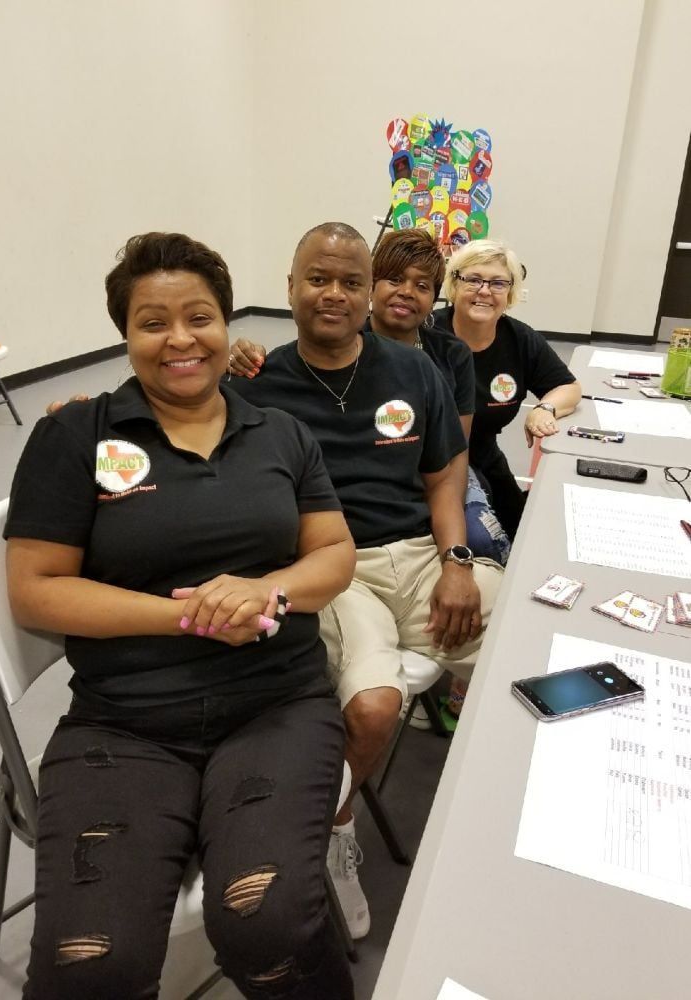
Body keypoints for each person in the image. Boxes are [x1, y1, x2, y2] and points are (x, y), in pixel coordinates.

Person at [5, 232, 357, 1000]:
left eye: (199, 317)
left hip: (276, 704)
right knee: (90, 966)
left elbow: (333, 553)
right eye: (152, 322)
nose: (180, 340)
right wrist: (191, 616)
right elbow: (35, 590)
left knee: (264, 921)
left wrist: (271, 591)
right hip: (124, 720)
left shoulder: (280, 434)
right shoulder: (76, 435)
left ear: (227, 326)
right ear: (125, 334)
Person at [227, 222, 503, 938]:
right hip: (332, 567)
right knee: (376, 707)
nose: (335, 293)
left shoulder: (415, 372)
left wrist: (457, 562)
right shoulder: (254, 383)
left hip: (417, 553)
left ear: (365, 293)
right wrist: (81, 420)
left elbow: (445, 475)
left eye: (349, 280)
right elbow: (170, 426)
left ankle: (514, 838)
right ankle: (336, 835)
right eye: (318, 278)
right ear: (289, 288)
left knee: (530, 646)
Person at [230, 229, 510, 567]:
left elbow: (451, 460)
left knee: (488, 548)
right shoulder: (280, 372)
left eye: (422, 287)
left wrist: (451, 553)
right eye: (319, 279)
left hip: (421, 504)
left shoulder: (436, 360)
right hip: (343, 553)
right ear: (374, 290)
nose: (406, 293)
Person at [433, 239, 582, 539]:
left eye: (498, 283)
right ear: (453, 283)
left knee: (526, 534)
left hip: (485, 458)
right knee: (479, 538)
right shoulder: (427, 333)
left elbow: (569, 387)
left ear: (511, 292)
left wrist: (545, 407)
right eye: (473, 280)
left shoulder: (520, 339)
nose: (485, 291)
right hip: (431, 464)